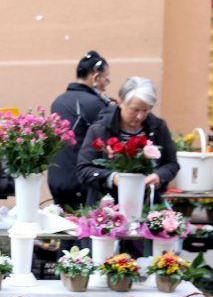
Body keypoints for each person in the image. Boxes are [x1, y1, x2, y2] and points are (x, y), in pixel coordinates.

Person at [75, 76, 179, 208]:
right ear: (120, 102)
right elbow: (83, 169)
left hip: (148, 205)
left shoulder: (158, 128)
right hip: (107, 208)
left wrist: (159, 176)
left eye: (146, 110)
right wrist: (113, 178)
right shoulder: (100, 129)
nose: (140, 116)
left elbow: (172, 163)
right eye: (135, 110)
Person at [48, 51, 113, 209]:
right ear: (95, 77)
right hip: (82, 183)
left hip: (57, 180)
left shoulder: (59, 101)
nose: (107, 83)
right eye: (106, 78)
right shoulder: (96, 104)